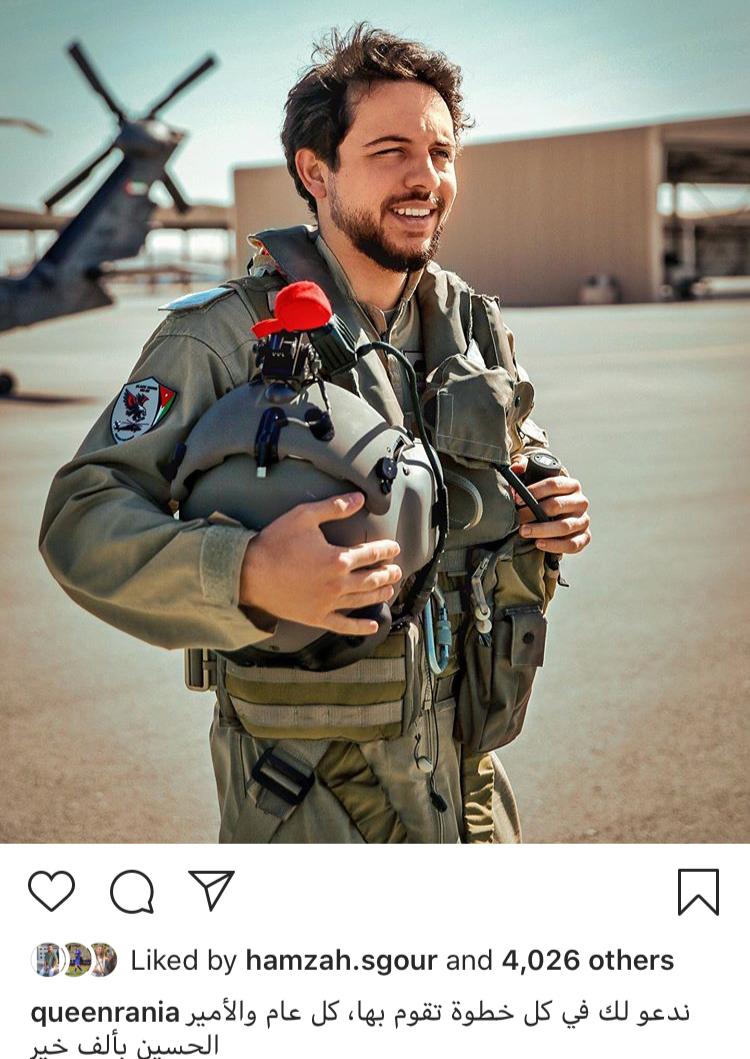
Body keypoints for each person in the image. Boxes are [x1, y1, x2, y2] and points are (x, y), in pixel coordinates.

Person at [40, 24, 590, 844]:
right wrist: (246, 572)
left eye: (441, 153)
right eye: (391, 151)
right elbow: (81, 517)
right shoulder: (223, 335)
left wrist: (549, 496)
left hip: (467, 791)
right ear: (316, 171)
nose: (426, 178)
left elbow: (517, 451)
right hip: (308, 804)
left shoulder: (470, 325)